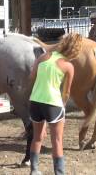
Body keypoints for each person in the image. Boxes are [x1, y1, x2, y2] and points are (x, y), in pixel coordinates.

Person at [29, 33, 82, 175]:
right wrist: (62, 107)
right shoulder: (68, 66)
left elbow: (32, 77)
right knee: (57, 141)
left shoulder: (42, 57)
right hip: (53, 104)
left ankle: (34, 170)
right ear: (75, 50)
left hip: (35, 101)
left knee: (37, 137)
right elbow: (66, 92)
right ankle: (59, 173)